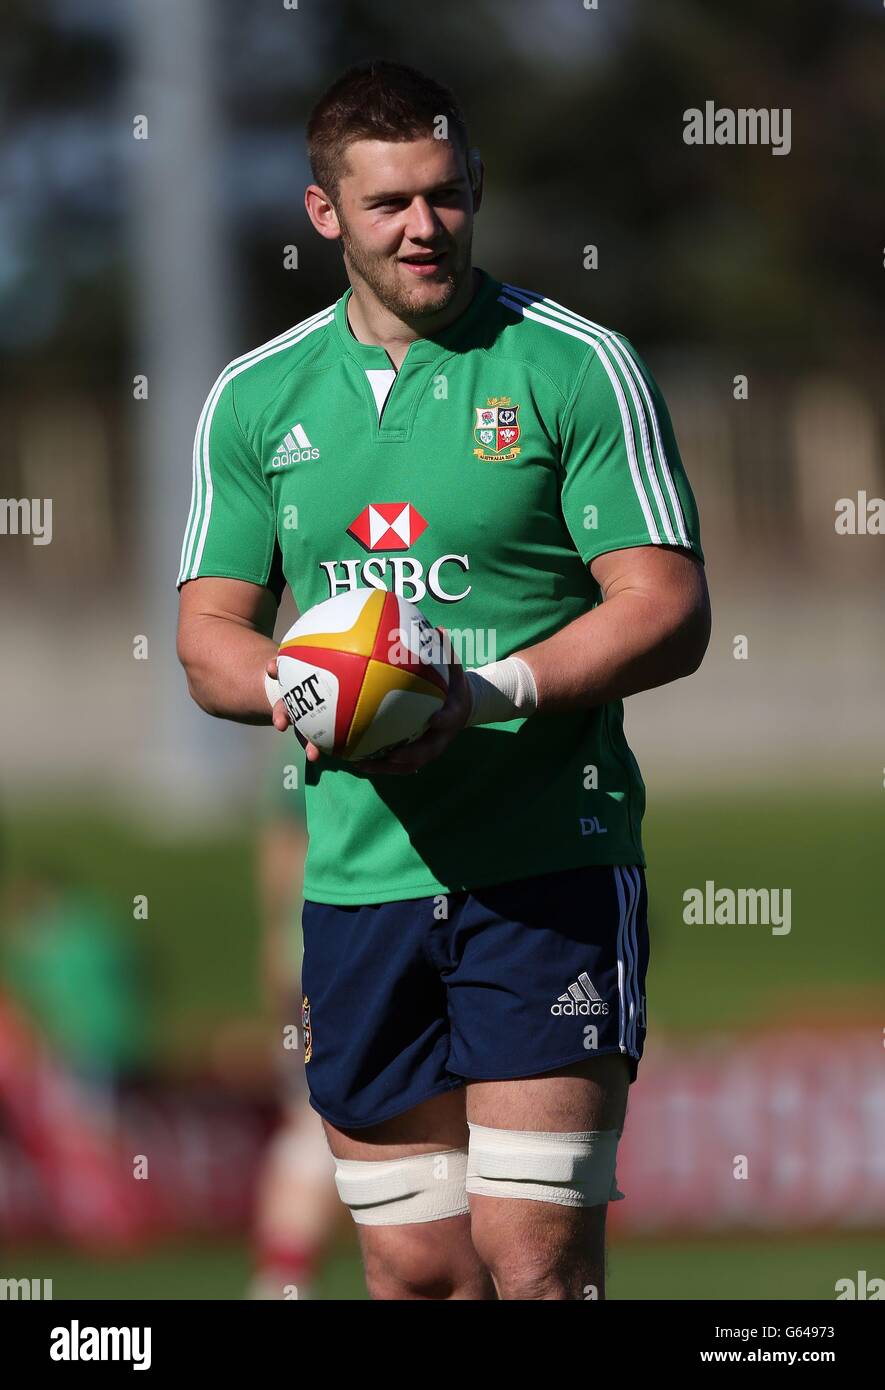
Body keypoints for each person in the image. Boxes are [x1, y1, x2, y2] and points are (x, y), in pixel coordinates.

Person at [177, 59, 711, 1300]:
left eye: (448, 195)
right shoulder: (256, 399)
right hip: (360, 884)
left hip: (548, 869)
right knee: (416, 1269)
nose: (426, 227)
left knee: (533, 1262)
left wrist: (484, 693)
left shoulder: (574, 364)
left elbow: (668, 608)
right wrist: (307, 692)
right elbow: (209, 635)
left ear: (475, 187)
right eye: (389, 205)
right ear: (325, 215)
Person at [248, 736, 339, 1300]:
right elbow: (283, 846)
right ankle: (283, 1280)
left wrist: (276, 947)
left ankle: (281, 1279)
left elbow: (281, 849)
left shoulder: (315, 719)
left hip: (312, 956)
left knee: (310, 1126)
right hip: (332, 958)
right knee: (315, 1127)